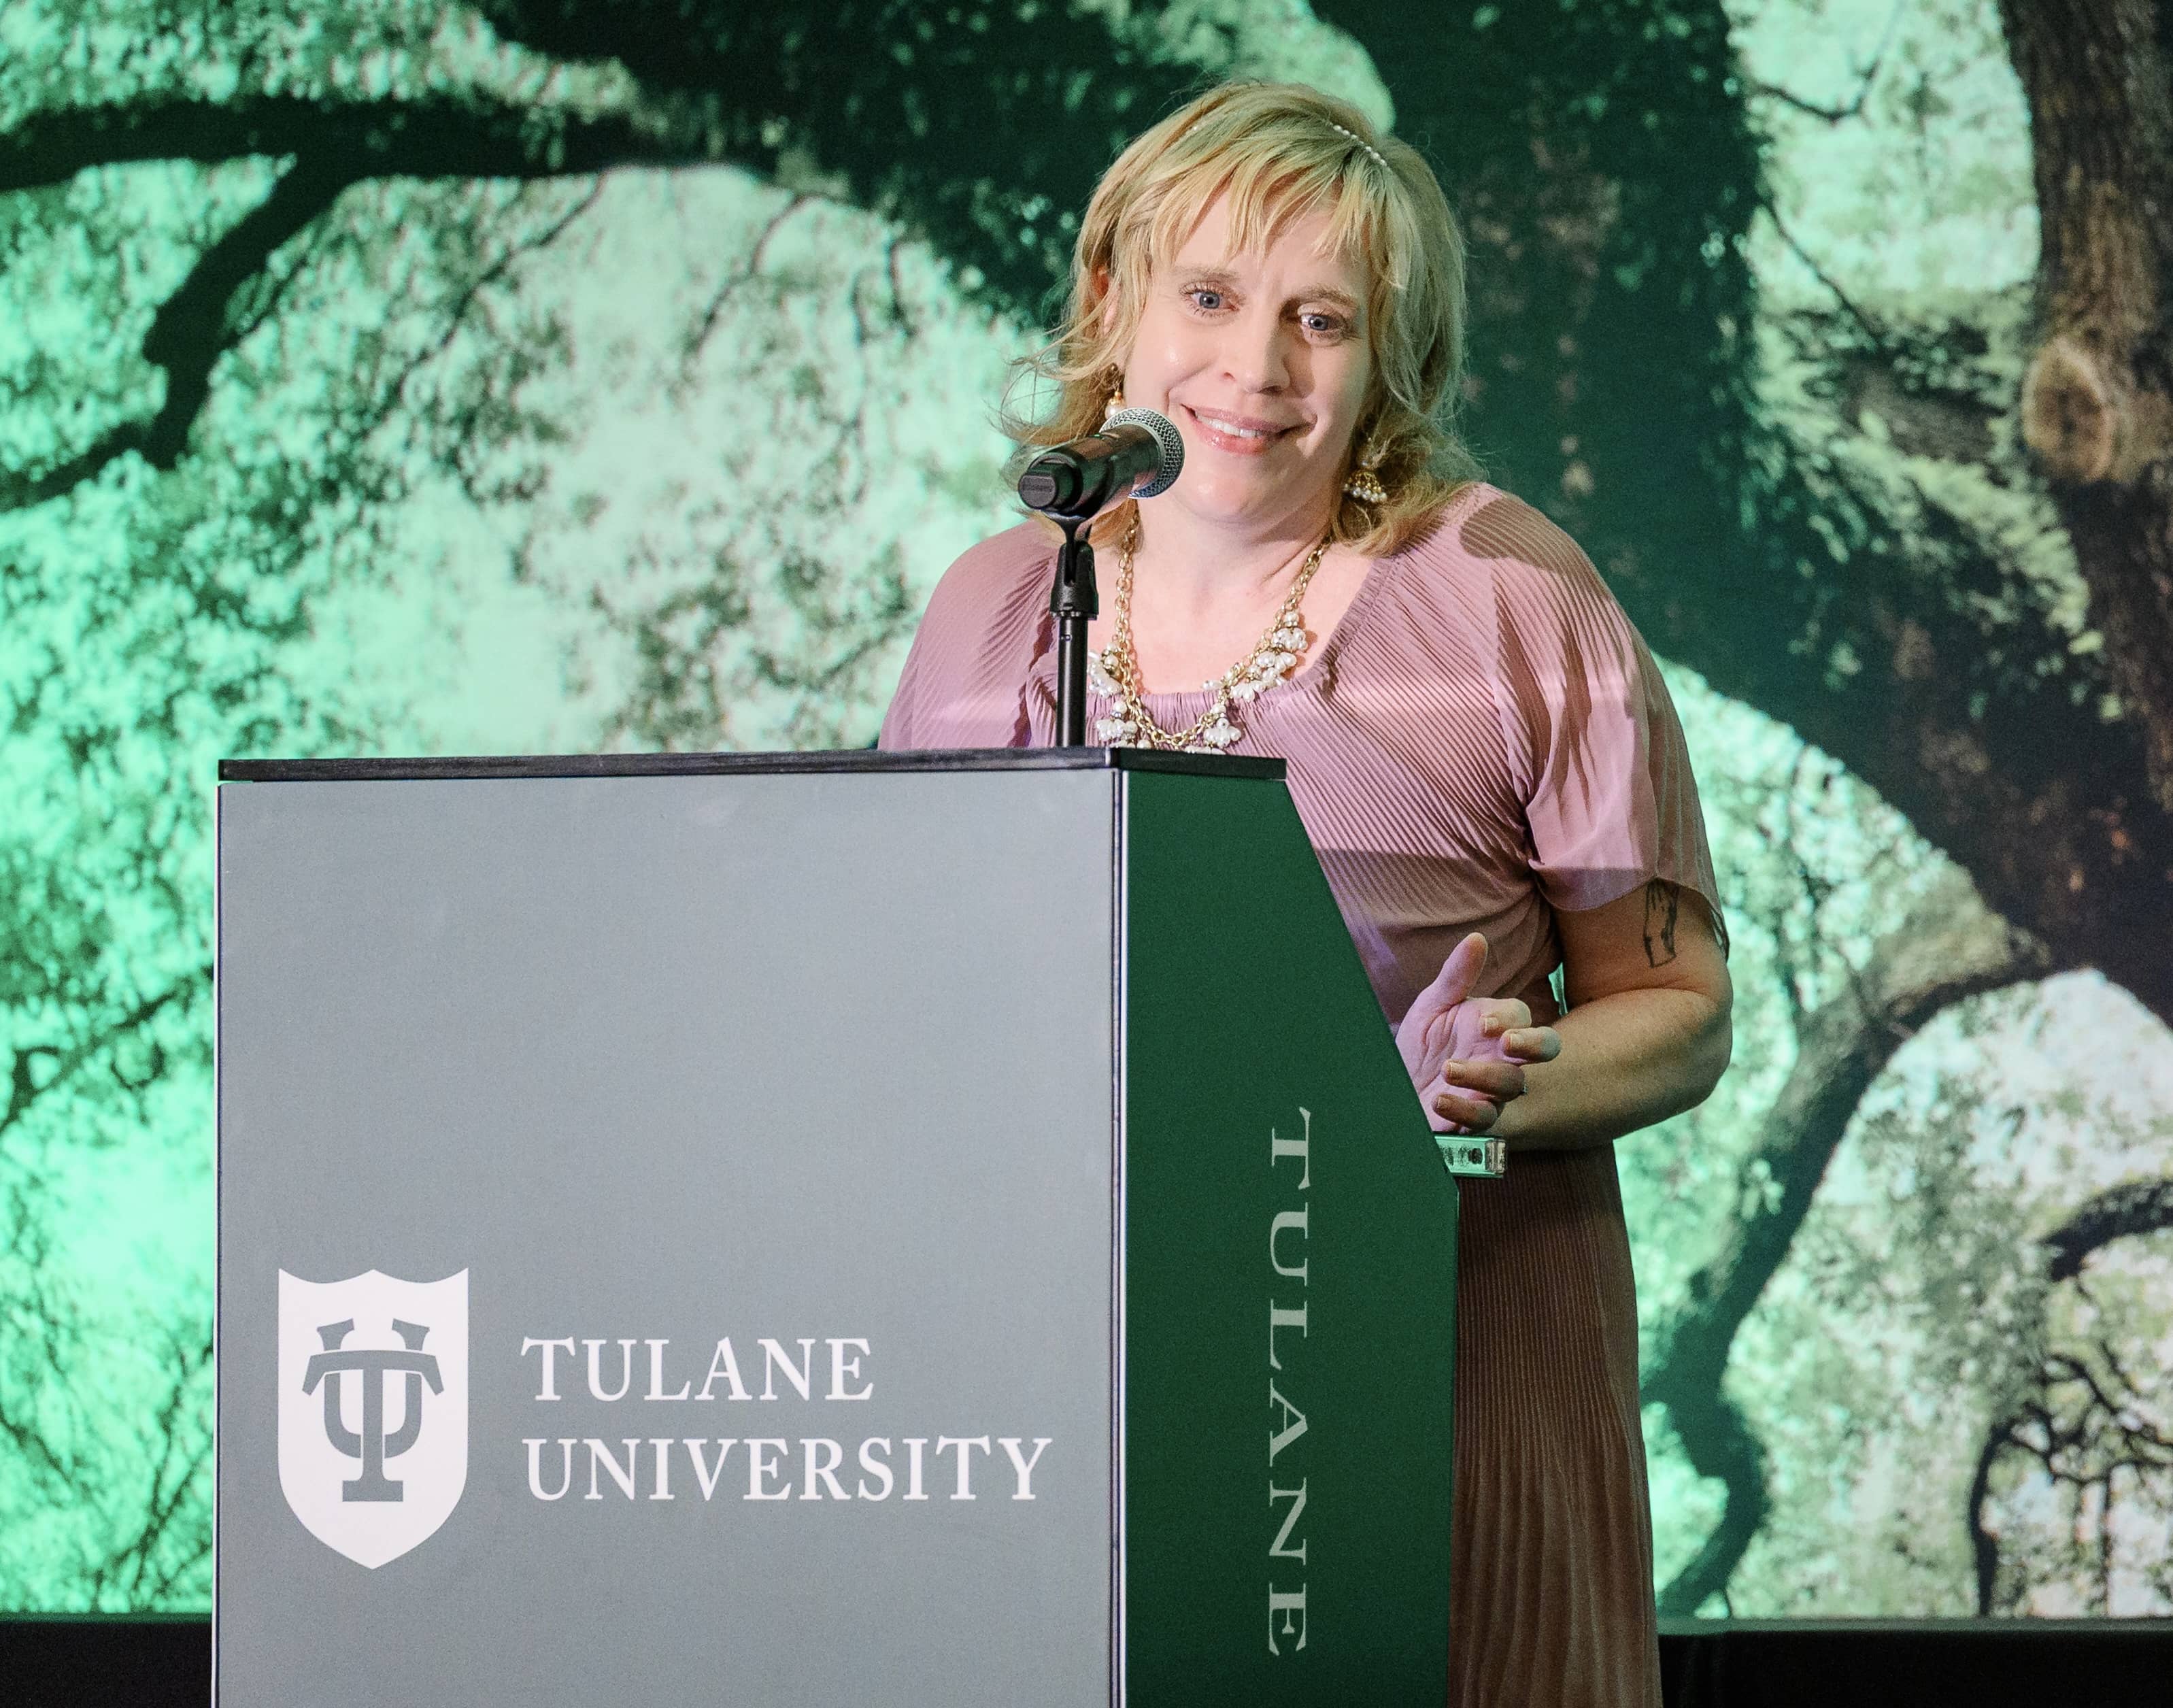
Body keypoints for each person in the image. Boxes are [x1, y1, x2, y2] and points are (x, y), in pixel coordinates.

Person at [879, 81, 1732, 1707]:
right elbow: (899, 985)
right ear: (1112, 301)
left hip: (1437, 1357)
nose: (1255, 368)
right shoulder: (990, 613)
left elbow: (1678, 1009)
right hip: (1080, 1382)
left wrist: (1496, 1076)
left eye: (1319, 319)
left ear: (1390, 355)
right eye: (1207, 296)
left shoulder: (1509, 596)